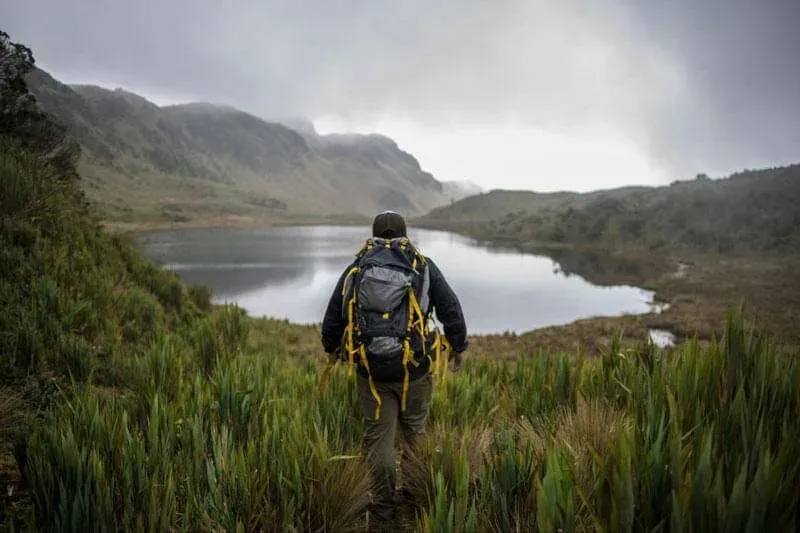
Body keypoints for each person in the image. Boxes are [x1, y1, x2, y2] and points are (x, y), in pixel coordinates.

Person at [321, 211, 468, 520]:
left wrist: (332, 348)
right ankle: (418, 497)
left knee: (379, 438)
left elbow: (335, 314)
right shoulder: (422, 266)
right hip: (413, 369)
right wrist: (459, 346)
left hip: (371, 370)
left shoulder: (358, 267)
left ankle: (385, 508)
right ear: (405, 234)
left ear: (374, 234)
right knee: (416, 431)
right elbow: (451, 308)